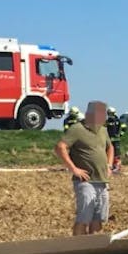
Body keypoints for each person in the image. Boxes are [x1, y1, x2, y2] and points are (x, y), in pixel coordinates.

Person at [54, 100, 114, 235]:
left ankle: (94, 251)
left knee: (98, 219)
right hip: (86, 182)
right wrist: (73, 168)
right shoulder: (77, 129)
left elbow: (110, 147)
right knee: (84, 218)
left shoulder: (103, 130)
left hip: (102, 181)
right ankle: (78, 250)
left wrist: (109, 165)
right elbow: (60, 147)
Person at [105, 106, 124, 173]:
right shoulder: (107, 121)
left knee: (116, 153)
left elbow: (124, 127)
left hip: (116, 140)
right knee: (108, 153)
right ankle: (111, 166)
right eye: (109, 113)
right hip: (109, 140)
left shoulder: (118, 121)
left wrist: (120, 134)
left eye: (111, 113)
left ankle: (117, 167)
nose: (110, 114)